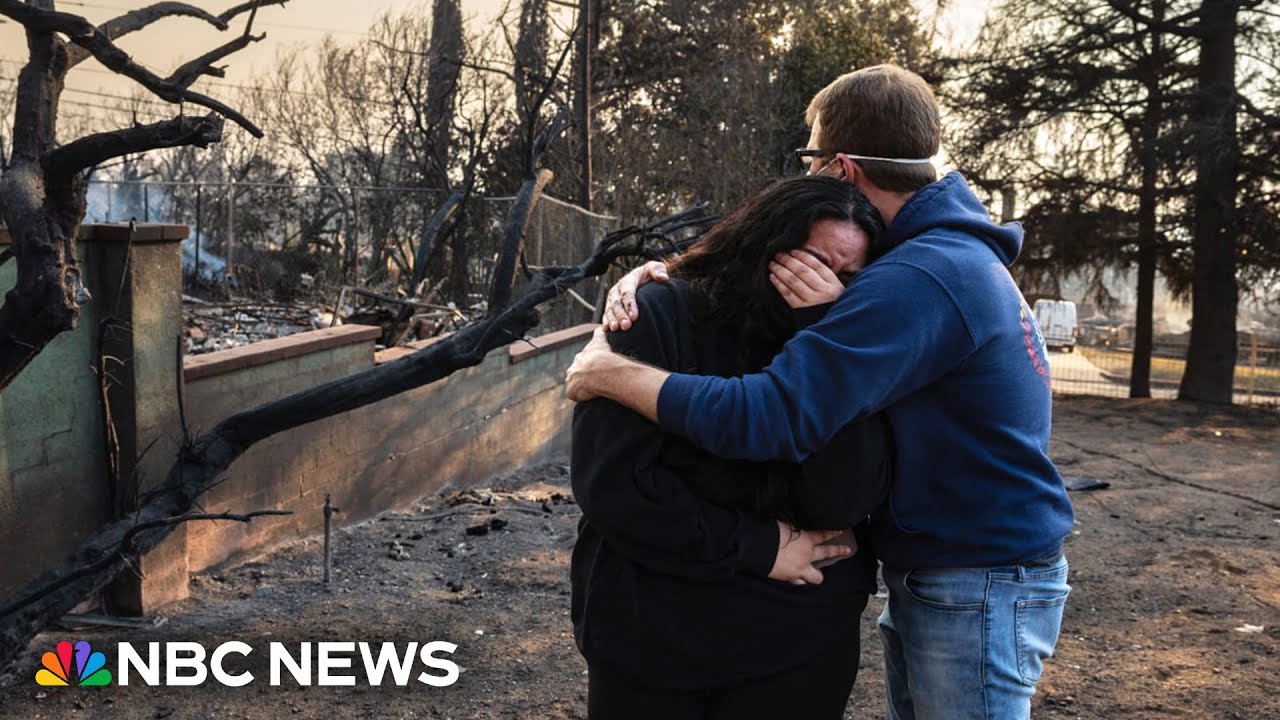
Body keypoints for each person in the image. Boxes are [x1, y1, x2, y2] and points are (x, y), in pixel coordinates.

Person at [565, 64, 1074, 720]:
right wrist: (671, 272)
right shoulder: (935, 257)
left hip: (975, 576)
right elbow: (764, 250)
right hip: (960, 568)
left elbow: (775, 414)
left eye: (811, 162)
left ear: (841, 168)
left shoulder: (920, 276)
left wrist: (610, 374)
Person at [571, 176, 895, 719]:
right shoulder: (655, 313)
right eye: (811, 263)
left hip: (796, 640)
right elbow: (613, 485)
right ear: (764, 244)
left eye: (846, 277)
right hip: (651, 634)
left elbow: (843, 497)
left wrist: (823, 332)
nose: (823, 284)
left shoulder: (851, 341)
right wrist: (756, 546)